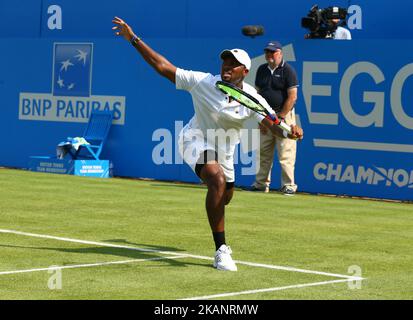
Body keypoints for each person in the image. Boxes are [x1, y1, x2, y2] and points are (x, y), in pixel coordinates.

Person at [112, 17, 303, 271]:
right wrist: (133, 39)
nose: (227, 66)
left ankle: (217, 212)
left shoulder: (253, 98)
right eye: (225, 61)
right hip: (194, 139)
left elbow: (273, 126)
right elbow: (163, 66)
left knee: (226, 196)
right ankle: (221, 250)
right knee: (216, 180)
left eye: (234, 64)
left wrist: (290, 132)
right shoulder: (203, 81)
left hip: (224, 150)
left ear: (244, 72)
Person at [251, 41, 299, 195]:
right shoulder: (261, 70)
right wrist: (261, 118)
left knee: (286, 153)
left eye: (272, 52)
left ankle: (288, 185)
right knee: (263, 152)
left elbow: (292, 97)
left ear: (280, 53)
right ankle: (261, 184)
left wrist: (281, 116)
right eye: (267, 52)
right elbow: (257, 96)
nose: (269, 55)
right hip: (266, 117)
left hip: (284, 117)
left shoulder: (288, 70)